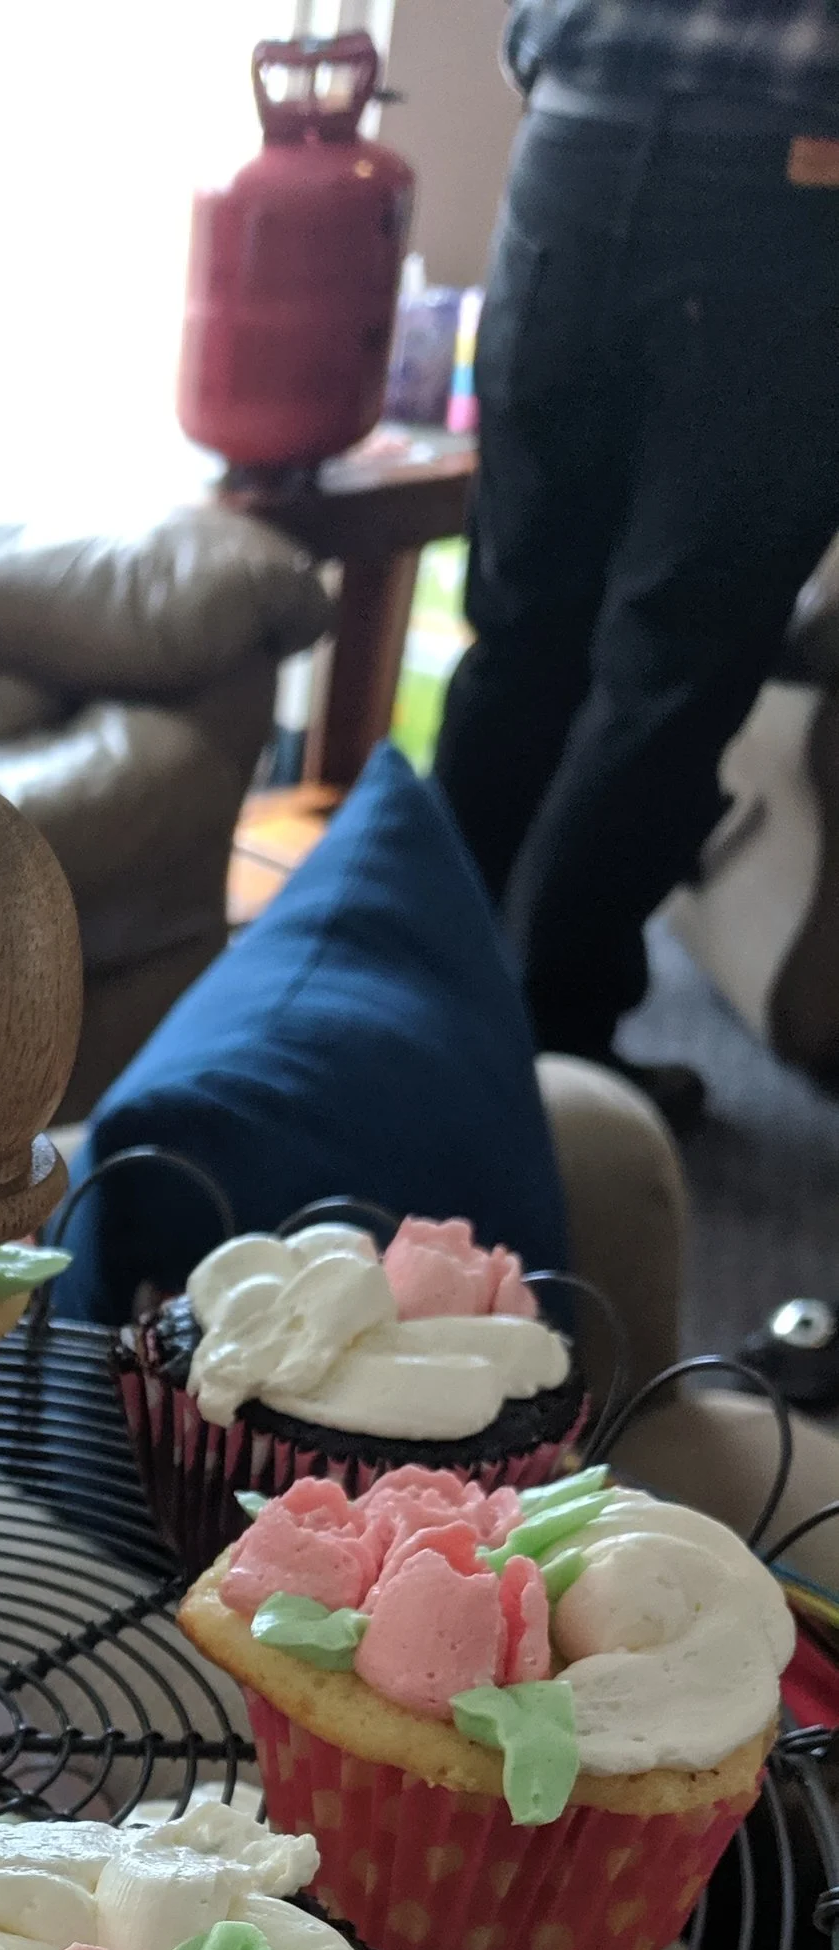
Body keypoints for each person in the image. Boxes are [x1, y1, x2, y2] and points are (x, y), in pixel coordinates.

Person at [434, 0, 839, 1130]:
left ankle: (416, 1025)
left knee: (521, 633)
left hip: (573, 134)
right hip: (786, 179)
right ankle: (549, 1068)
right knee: (671, 671)